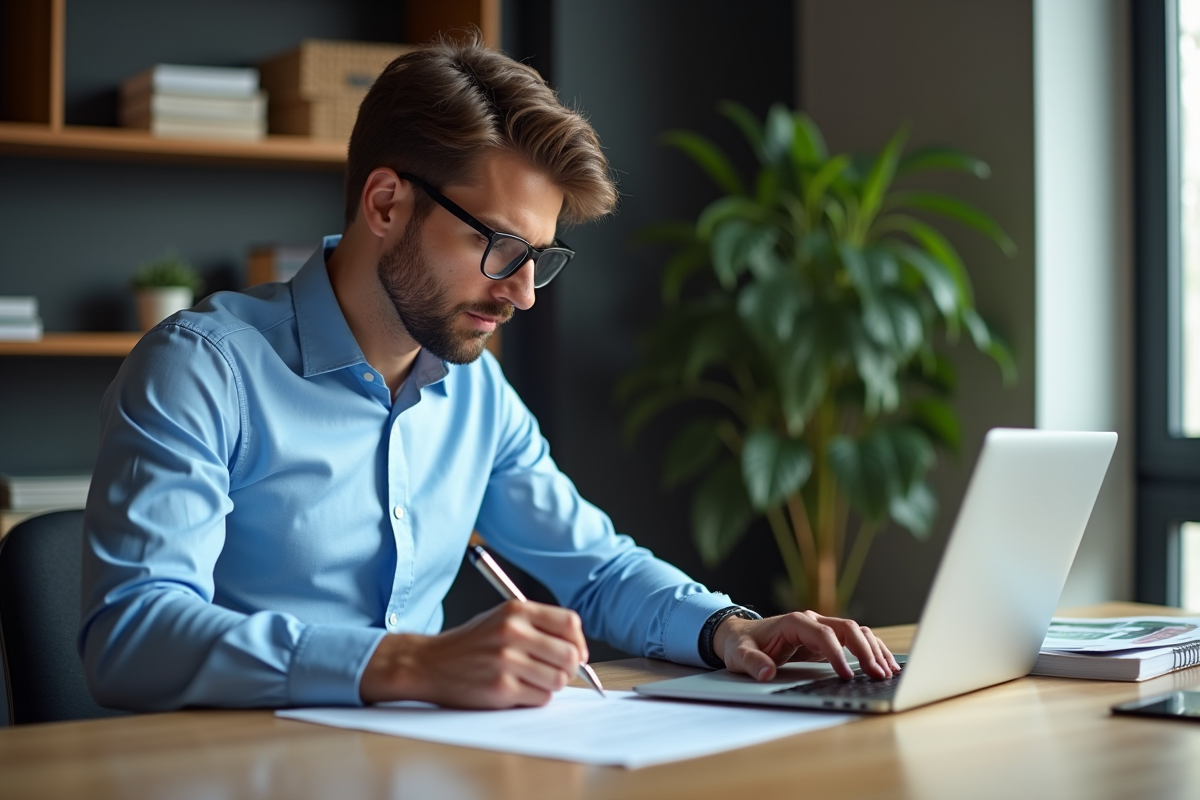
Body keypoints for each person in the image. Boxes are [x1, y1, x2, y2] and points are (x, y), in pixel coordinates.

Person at [78, 36, 899, 712]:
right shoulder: (201, 369)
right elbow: (133, 634)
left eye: (540, 259)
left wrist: (728, 629)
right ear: (387, 203)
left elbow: (597, 566)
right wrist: (409, 665)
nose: (524, 293)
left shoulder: (473, 390)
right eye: (501, 248)